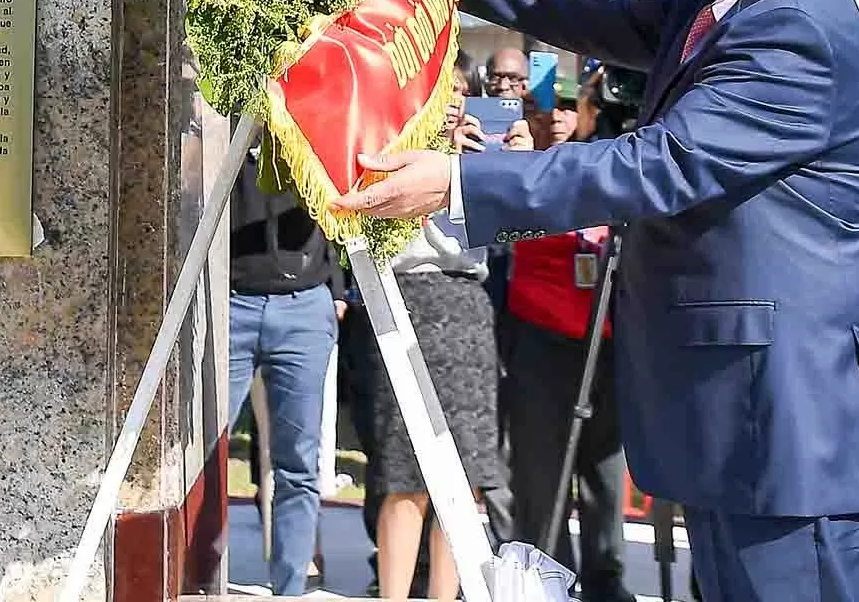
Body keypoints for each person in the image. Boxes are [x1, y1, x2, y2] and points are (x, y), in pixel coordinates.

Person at [336, 0, 859, 602]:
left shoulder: (796, 29)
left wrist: (462, 182)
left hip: (789, 428)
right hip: (739, 417)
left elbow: (662, 161)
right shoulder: (728, 5)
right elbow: (592, 15)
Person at [360, 78, 508, 602]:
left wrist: (494, 168)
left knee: (463, 478)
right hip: (401, 299)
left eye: (460, 89)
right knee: (404, 473)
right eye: (440, 86)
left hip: (466, 307)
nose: (450, 100)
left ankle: (448, 595)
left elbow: (507, 232)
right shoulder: (386, 143)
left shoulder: (479, 152)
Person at [499, 85, 636, 602]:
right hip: (540, 335)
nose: (556, 119)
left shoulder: (608, 159)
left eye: (567, 106)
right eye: (544, 107)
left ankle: (607, 578)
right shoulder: (517, 162)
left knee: (604, 472)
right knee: (541, 474)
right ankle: (550, 577)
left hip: (605, 341)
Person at [225, 139, 345, 596]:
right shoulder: (225, 125)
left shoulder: (311, 131)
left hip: (304, 306)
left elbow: (341, 203)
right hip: (231, 300)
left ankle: (290, 587)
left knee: (298, 462)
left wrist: (335, 288)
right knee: (203, 454)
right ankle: (195, 574)